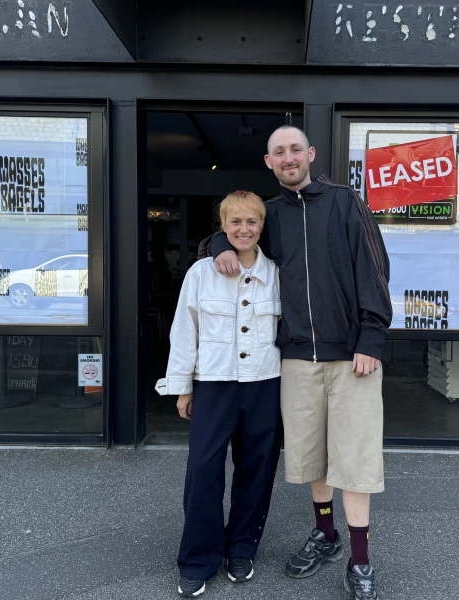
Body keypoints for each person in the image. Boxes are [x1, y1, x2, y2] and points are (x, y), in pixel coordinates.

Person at [208, 125, 391, 600]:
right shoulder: (268, 216)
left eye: (295, 149)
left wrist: (371, 336)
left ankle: (360, 559)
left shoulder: (345, 202)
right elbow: (232, 230)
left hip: (354, 358)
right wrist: (219, 246)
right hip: (294, 358)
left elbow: (375, 266)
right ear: (269, 162)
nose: (288, 157)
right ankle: (325, 536)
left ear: (309, 154)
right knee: (311, 457)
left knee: (354, 459)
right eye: (278, 152)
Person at [156, 191, 284, 597]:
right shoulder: (200, 273)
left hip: (265, 384)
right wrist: (182, 387)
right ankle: (198, 557)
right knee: (203, 472)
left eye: (252, 222)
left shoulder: (278, 273)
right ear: (223, 226)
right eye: (235, 223)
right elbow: (183, 332)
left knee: (257, 471)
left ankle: (242, 547)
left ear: (262, 227)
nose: (244, 229)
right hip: (213, 384)